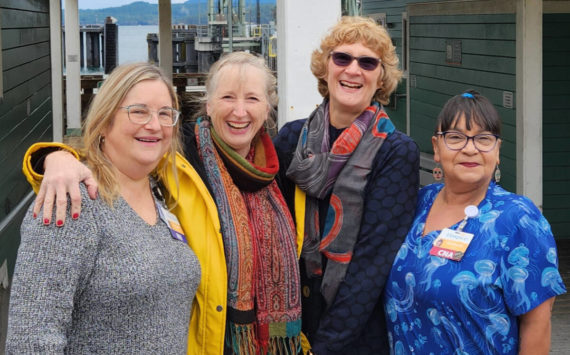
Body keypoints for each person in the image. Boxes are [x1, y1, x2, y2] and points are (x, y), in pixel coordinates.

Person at [19, 52, 303, 355]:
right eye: (228, 97)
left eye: (253, 99)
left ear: (268, 107)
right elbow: (33, 335)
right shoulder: (180, 163)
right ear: (208, 104)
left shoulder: (285, 168)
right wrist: (55, 158)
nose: (239, 111)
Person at [6, 62, 201, 353]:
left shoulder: (163, 191)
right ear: (105, 120)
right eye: (139, 111)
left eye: (165, 114)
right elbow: (32, 339)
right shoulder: (71, 201)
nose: (155, 124)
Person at [273, 16, 420, 354]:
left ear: (380, 77)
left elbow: (371, 266)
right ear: (325, 67)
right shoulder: (291, 139)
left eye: (367, 62)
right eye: (342, 58)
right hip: (289, 322)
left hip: (356, 334)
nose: (353, 70)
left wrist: (323, 348)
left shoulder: (396, 153)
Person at [384, 90, 567, 354]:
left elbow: (537, 323)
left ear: (497, 151)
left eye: (483, 139)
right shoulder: (416, 204)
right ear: (436, 147)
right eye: (456, 137)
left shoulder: (518, 219)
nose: (470, 148)